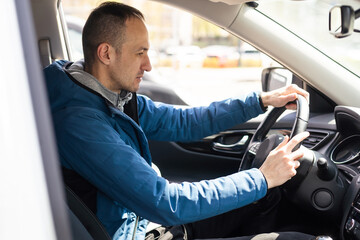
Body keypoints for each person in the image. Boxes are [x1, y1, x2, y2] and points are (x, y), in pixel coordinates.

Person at [44, 2, 316, 240]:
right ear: (106, 54)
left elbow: (184, 122)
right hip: (143, 230)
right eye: (140, 52)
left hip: (152, 223)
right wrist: (262, 177)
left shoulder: (112, 97)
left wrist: (260, 101)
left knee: (267, 198)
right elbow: (164, 202)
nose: (148, 65)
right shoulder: (79, 124)